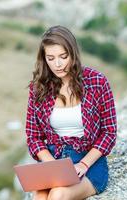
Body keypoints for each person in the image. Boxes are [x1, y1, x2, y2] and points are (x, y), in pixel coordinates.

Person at [25, 25, 117, 200]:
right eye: (50, 58)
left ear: (73, 54)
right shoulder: (37, 88)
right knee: (39, 197)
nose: (57, 64)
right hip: (53, 159)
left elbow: (109, 133)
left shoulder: (97, 81)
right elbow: (33, 137)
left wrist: (83, 164)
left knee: (58, 195)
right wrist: (54, 168)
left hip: (88, 161)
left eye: (63, 57)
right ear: (44, 59)